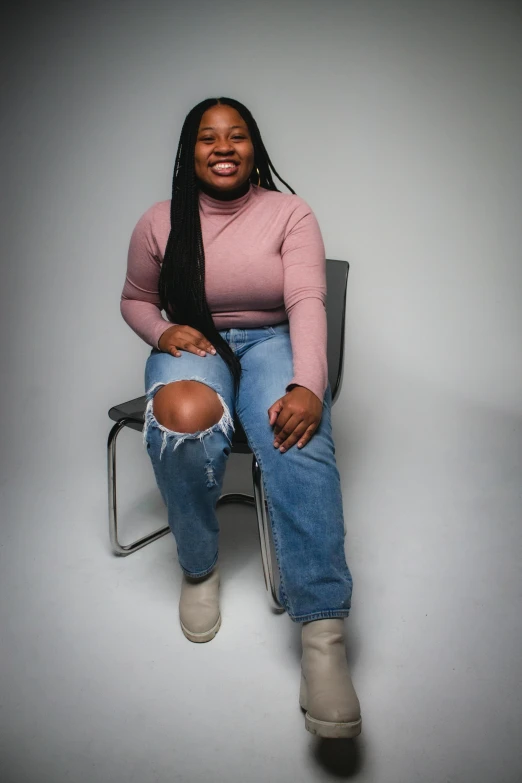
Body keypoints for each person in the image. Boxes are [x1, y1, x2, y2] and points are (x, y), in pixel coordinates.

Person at [120, 97, 361, 739]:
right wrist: (163, 330)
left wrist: (309, 383)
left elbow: (308, 299)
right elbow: (136, 298)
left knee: (294, 431)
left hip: (273, 341)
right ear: (190, 151)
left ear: (254, 147)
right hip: (197, 343)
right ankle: (199, 566)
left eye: (236, 136)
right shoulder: (160, 221)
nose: (223, 147)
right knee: (182, 413)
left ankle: (324, 634)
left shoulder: (289, 212)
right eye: (208, 138)